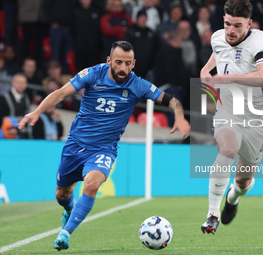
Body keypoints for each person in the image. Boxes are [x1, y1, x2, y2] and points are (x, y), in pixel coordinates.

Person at [18, 41, 190, 250]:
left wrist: (179, 117)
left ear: (133, 63)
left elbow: (173, 101)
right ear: (109, 60)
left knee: (92, 185)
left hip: (104, 149)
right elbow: (62, 93)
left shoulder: (138, 85)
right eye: (118, 62)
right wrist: (37, 112)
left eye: (127, 63)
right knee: (61, 195)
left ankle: (65, 233)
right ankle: (69, 210)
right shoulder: (93, 74)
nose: (123, 68)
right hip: (75, 145)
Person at [200, 0, 263, 234]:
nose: (230, 31)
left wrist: (228, 78)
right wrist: (205, 73)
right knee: (228, 150)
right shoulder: (218, 37)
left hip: (257, 118)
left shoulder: (259, 40)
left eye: (237, 26)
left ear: (249, 24)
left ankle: (233, 197)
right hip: (228, 111)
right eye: (227, 24)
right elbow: (216, 59)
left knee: (243, 181)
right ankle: (212, 215)